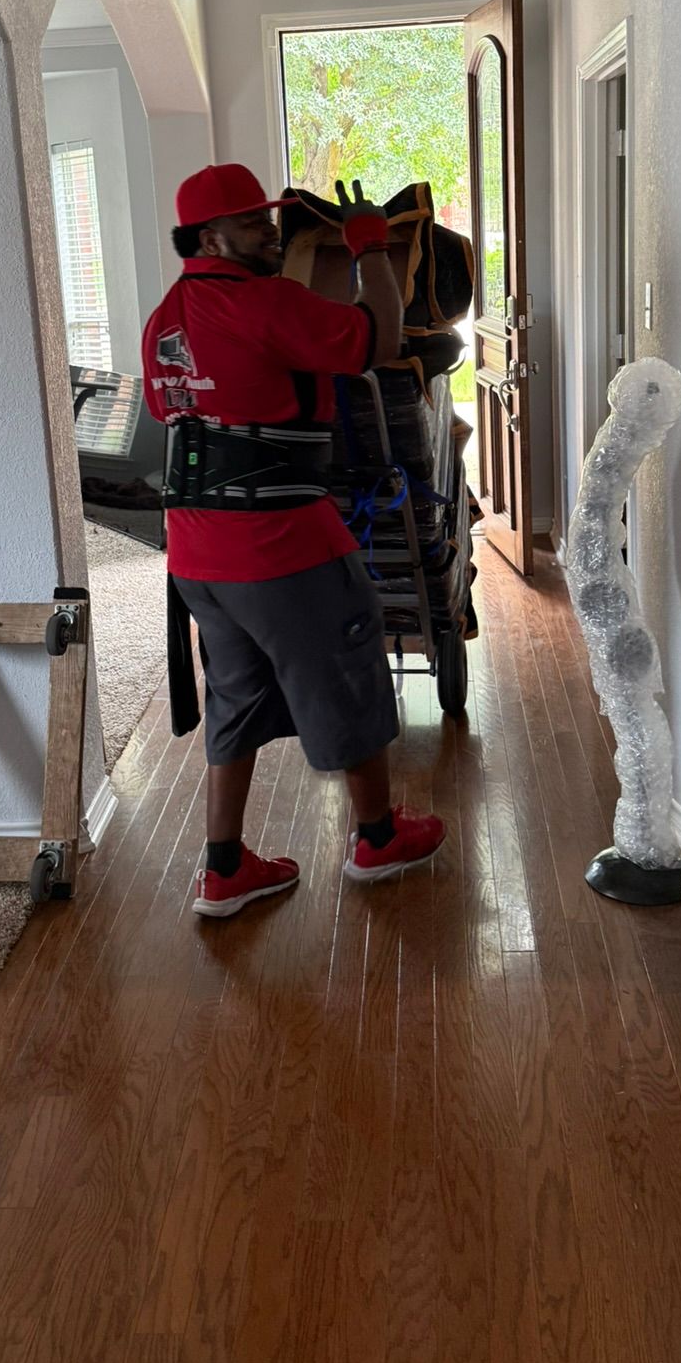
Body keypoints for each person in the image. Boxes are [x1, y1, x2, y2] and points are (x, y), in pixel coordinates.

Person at [142, 161, 446, 918]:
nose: (270, 232)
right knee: (347, 673)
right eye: (254, 223)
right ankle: (377, 839)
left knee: (237, 697)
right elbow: (377, 338)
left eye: (269, 219)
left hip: (196, 558)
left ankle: (223, 867)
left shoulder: (166, 318)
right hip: (281, 547)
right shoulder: (264, 303)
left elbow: (169, 409)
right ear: (211, 235)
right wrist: (372, 247)